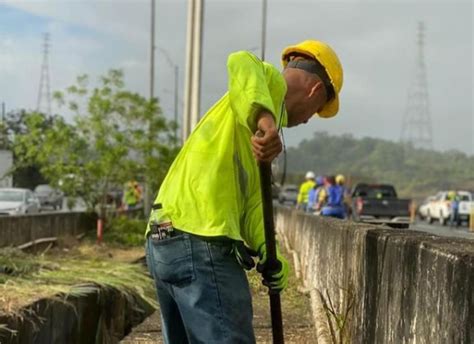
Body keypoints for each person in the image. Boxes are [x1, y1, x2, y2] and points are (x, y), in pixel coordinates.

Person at [145, 40, 343, 343]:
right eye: (316, 112)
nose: (306, 120)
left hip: (166, 239)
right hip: (203, 239)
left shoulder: (252, 129)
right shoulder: (267, 81)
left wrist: (270, 252)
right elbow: (240, 61)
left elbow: (252, 203)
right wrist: (265, 121)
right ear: (315, 91)